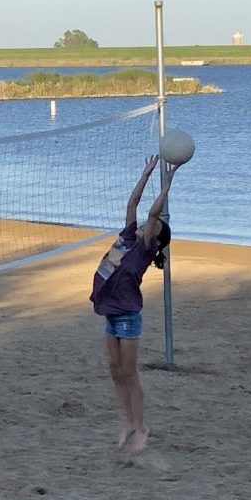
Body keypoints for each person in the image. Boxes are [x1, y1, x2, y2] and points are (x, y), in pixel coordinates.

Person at [91, 154, 180, 458]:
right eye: (143, 225)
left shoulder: (144, 249)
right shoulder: (129, 237)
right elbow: (133, 205)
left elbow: (154, 214)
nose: (143, 224)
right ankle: (126, 423)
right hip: (111, 313)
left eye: (149, 227)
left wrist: (167, 184)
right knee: (115, 371)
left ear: (155, 239)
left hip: (128, 316)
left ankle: (142, 429)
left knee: (130, 373)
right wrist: (145, 175)